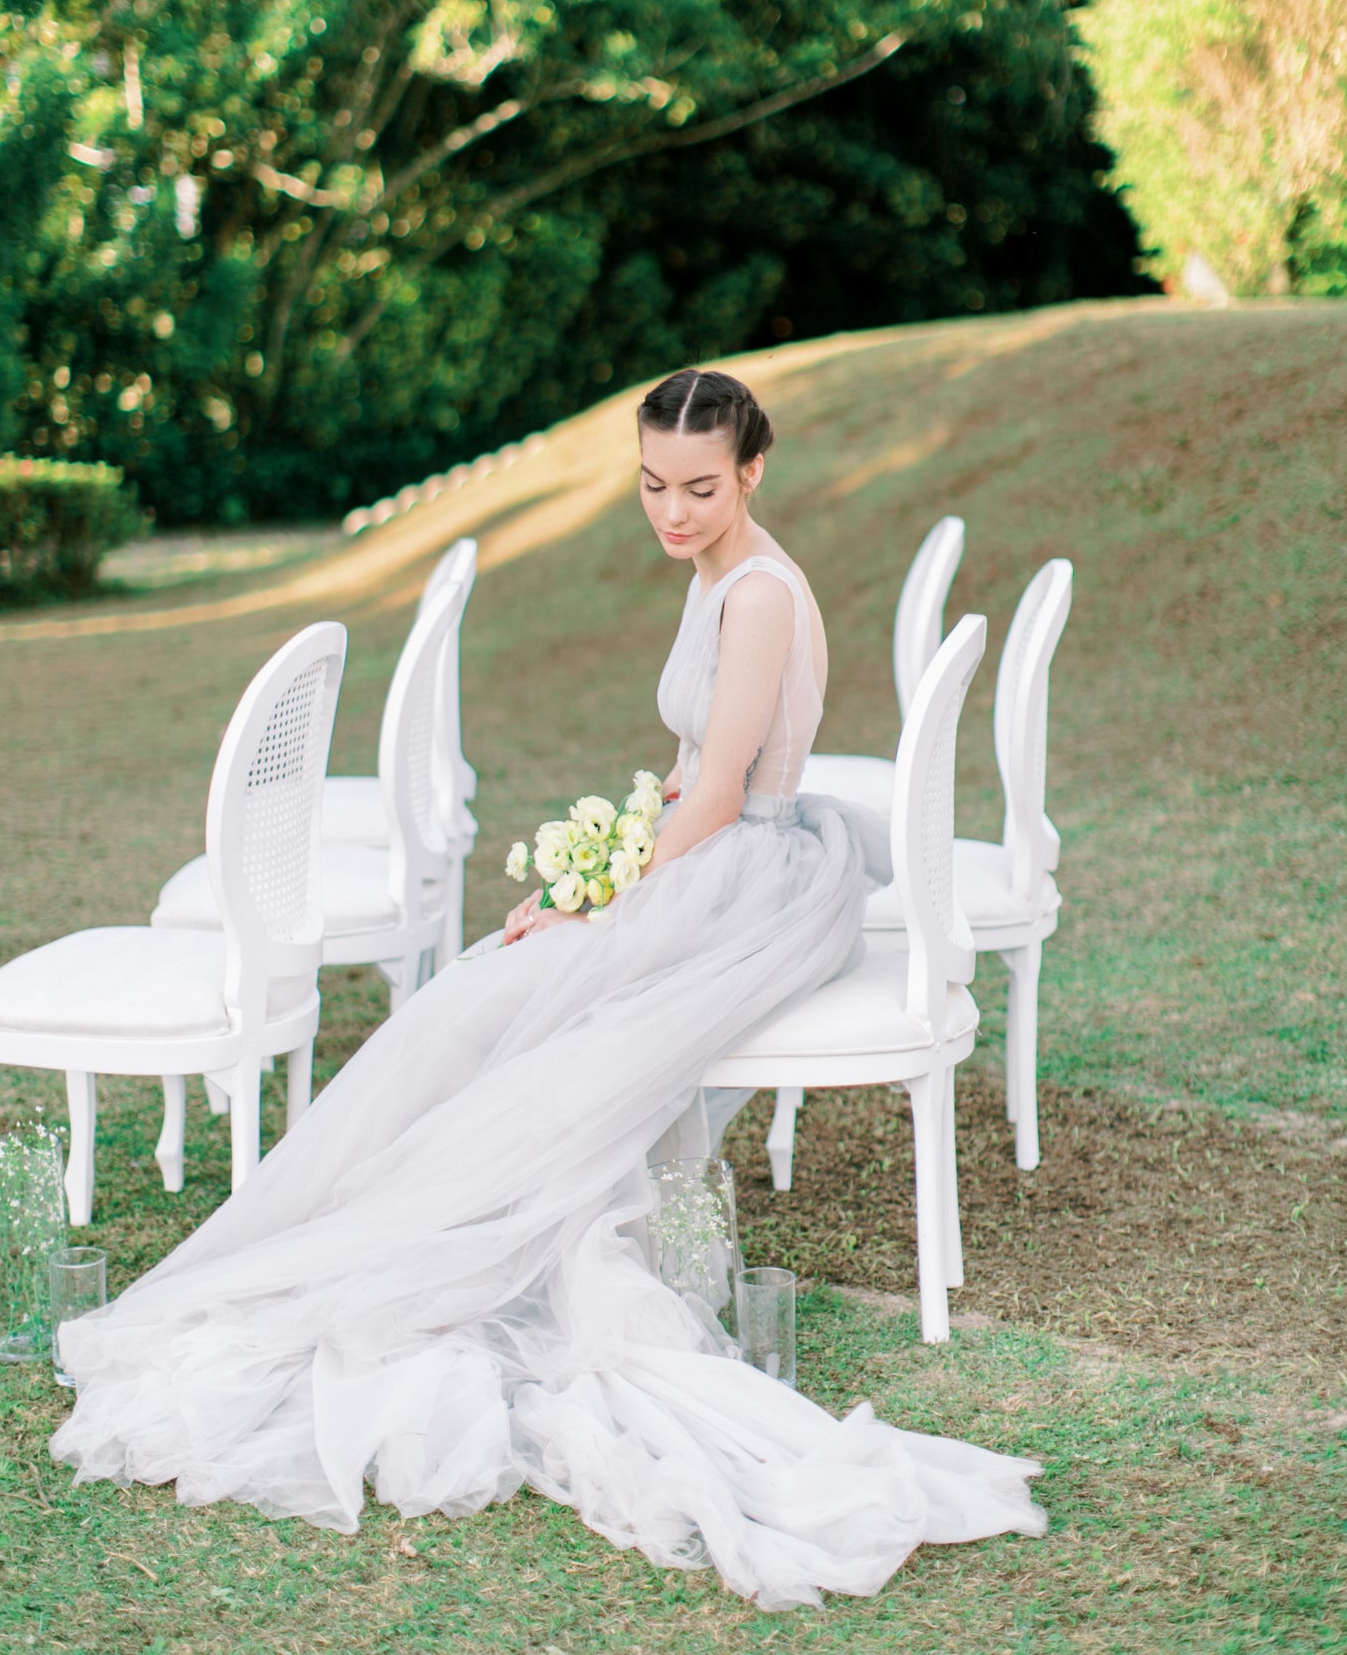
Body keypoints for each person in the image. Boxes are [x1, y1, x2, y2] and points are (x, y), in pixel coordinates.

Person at [52, 369, 1045, 1609]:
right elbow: (691, 777)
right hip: (713, 846)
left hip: (753, 869)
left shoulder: (763, 598)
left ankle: (446, 1238)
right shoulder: (716, 572)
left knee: (508, 1010)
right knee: (490, 997)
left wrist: (598, 891)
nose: (672, 512)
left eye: (698, 487)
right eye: (650, 485)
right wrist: (607, 855)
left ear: (751, 474)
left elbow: (725, 793)